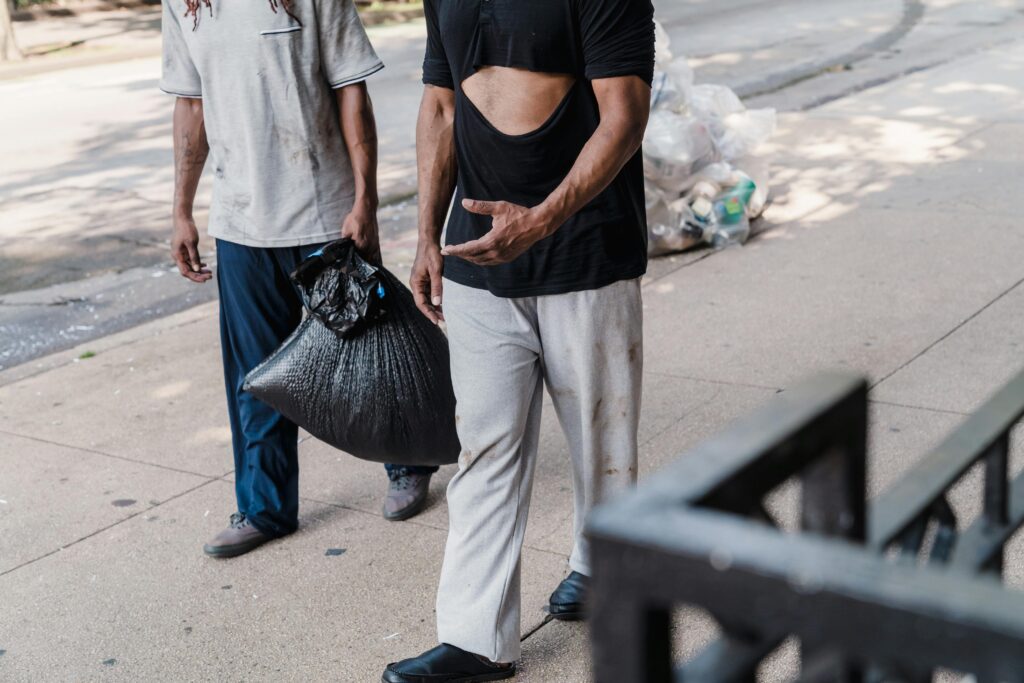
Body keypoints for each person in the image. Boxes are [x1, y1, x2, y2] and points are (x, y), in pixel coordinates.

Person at [384, 0, 655, 680]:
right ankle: (476, 638)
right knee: (484, 442)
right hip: (477, 258)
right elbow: (441, 106)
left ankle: (602, 567)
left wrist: (543, 219)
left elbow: (624, 113)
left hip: (586, 252)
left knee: (601, 439)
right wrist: (425, 236)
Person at [160, 0, 438, 560]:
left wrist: (366, 200)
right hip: (241, 221)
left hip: (326, 213)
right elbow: (192, 106)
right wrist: (182, 209)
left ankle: (408, 461)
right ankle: (264, 507)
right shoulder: (184, 4)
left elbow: (351, 92)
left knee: (369, 359)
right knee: (255, 375)